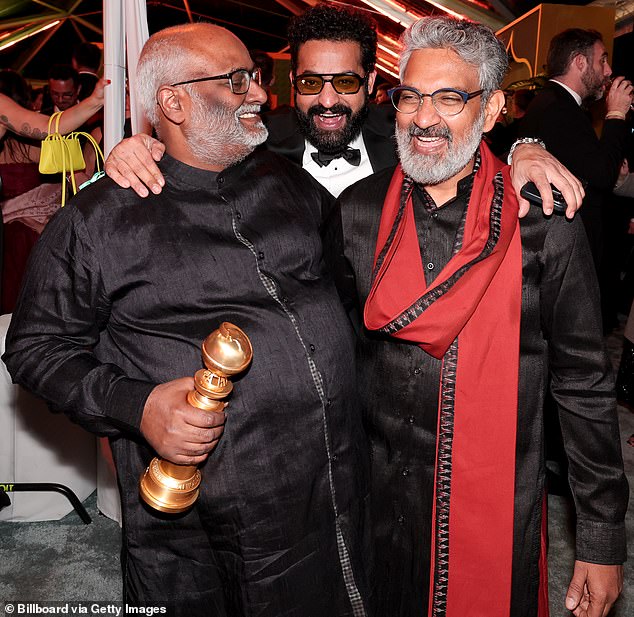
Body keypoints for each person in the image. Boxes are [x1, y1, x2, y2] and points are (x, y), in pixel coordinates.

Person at [3, 23, 370, 617]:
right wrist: (136, 405)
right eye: (236, 80)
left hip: (330, 483)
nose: (256, 93)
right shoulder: (100, 219)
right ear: (171, 101)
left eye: (253, 77)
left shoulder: (293, 186)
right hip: (206, 525)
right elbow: (35, 349)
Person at [335, 16, 628, 617]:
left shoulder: (541, 222)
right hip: (377, 500)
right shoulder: (357, 211)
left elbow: (583, 383)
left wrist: (601, 540)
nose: (423, 118)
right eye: (410, 96)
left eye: (450, 98)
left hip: (497, 503)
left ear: (493, 109)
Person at [104, 3, 584, 213]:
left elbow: (470, 137)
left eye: (347, 82)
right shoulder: (255, 140)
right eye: (312, 82)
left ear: (372, 83)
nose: (329, 101)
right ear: (292, 84)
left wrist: (526, 146)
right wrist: (137, 147)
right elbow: (191, 140)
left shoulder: (407, 137)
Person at [518, 28, 633, 271]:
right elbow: (601, 175)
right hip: (566, 253)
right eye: (602, 59)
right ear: (580, 62)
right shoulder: (559, 109)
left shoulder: (554, 103)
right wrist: (616, 114)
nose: (609, 70)